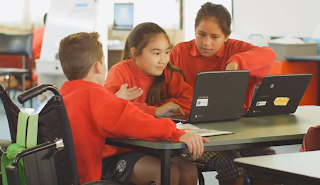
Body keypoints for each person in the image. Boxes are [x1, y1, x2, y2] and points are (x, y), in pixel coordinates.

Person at [58, 32, 209, 185]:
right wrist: (175, 133)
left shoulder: (60, 96)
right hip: (97, 171)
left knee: (185, 170)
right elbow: (135, 120)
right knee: (168, 172)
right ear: (98, 67)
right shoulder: (96, 95)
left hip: (73, 176)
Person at [170, 2, 277, 185]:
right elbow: (169, 92)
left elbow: (269, 55)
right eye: (201, 34)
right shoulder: (180, 52)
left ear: (227, 36)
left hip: (237, 132)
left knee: (267, 160)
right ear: (194, 29)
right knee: (231, 162)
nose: (206, 42)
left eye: (215, 37)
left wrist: (236, 62)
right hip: (195, 135)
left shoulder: (237, 49)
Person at [104, 22, 194, 118]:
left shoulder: (167, 71)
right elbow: (107, 108)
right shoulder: (120, 73)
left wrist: (162, 107)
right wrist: (155, 110)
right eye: (156, 53)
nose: (163, 60)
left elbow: (192, 102)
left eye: (167, 52)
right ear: (135, 53)